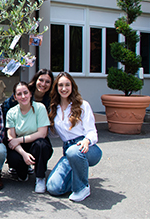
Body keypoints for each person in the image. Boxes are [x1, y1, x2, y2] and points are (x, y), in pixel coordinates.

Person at [46, 72, 102, 202]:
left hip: (87, 148)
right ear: (56, 88)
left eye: (67, 85)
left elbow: (92, 132)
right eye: (60, 85)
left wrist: (87, 141)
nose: (64, 88)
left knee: (73, 152)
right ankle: (76, 176)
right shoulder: (55, 109)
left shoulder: (83, 105)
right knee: (53, 187)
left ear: (72, 87)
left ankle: (82, 187)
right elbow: (53, 134)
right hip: (68, 151)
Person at [2, 68, 54, 175]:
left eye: (47, 82)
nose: (43, 84)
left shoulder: (48, 101)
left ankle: (39, 173)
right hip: (16, 129)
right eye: (41, 80)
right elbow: (6, 107)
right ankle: (19, 166)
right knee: (13, 155)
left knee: (41, 145)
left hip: (35, 134)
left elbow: (43, 132)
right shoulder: (22, 91)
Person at [6, 81, 53, 193]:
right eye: (19, 94)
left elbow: (42, 133)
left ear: (30, 94)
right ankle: (24, 169)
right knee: (20, 173)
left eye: (25, 93)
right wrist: (24, 154)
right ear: (15, 97)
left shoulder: (40, 108)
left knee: (41, 145)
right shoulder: (11, 112)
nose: (23, 96)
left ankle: (40, 177)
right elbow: (11, 139)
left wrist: (19, 139)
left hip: (36, 144)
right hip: (20, 147)